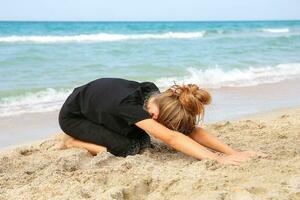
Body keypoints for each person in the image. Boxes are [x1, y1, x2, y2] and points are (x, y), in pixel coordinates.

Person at [59, 77, 265, 165]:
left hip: (101, 106)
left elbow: (188, 130)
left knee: (144, 142)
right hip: (76, 116)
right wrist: (217, 159)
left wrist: (234, 153)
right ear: (156, 117)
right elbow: (171, 137)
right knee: (129, 147)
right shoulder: (130, 107)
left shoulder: (157, 96)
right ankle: (72, 142)